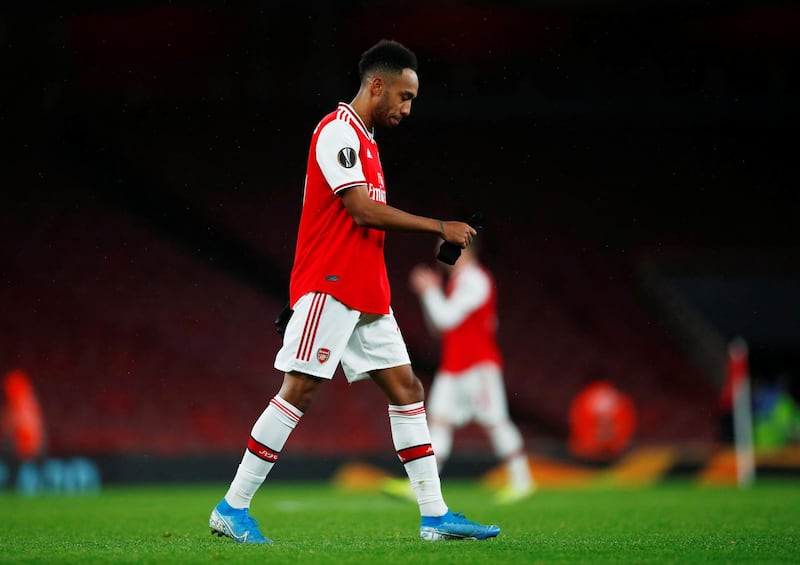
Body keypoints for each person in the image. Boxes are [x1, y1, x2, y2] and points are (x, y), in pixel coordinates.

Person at [209, 39, 500, 544]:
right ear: (377, 85)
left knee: (408, 390)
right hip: (333, 287)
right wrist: (439, 226)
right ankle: (232, 508)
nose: (408, 109)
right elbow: (361, 211)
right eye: (404, 97)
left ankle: (434, 516)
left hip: (366, 293)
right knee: (298, 392)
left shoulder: (367, 141)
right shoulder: (336, 131)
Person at [383, 241, 536, 505]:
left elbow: (444, 319)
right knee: (439, 422)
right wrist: (431, 294)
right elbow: (441, 327)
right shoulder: (461, 281)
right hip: (455, 365)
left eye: (444, 248)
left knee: (494, 421)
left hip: (478, 366)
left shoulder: (475, 279)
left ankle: (522, 481)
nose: (439, 255)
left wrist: (430, 291)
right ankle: (421, 484)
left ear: (464, 250)